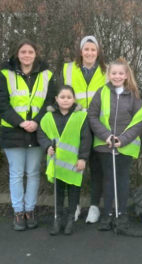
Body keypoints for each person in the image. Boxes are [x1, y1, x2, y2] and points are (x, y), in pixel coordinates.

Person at [0, 39, 56, 231]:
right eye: (23, 52)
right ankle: (18, 212)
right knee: (16, 174)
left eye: (30, 52)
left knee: (33, 173)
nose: (26, 55)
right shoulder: (5, 74)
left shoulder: (47, 74)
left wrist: (37, 121)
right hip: (13, 130)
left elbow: (50, 101)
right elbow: (2, 103)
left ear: (35, 54)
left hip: (37, 131)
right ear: (18, 54)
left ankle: (30, 210)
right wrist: (21, 122)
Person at [88, 57, 142, 231]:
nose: (117, 76)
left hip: (126, 145)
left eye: (121, 73)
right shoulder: (101, 92)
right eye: (114, 73)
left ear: (127, 75)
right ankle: (107, 215)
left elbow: (139, 120)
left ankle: (122, 214)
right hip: (105, 145)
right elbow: (92, 116)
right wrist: (107, 136)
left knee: (122, 180)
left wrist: (123, 139)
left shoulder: (135, 94)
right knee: (108, 180)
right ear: (109, 74)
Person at [60, 36, 107, 223]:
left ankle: (94, 206)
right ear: (81, 51)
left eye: (93, 49)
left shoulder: (106, 70)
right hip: (76, 123)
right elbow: (62, 94)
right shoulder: (68, 69)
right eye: (86, 49)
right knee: (75, 166)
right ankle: (75, 206)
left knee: (96, 168)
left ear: (98, 52)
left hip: (98, 124)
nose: (89, 53)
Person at [37, 85, 92, 235]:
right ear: (56, 99)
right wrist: (47, 146)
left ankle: (70, 220)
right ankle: (57, 219)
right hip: (57, 163)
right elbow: (41, 134)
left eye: (69, 97)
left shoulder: (81, 116)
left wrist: (83, 158)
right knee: (59, 193)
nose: (65, 100)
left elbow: (86, 139)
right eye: (62, 97)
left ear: (74, 99)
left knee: (74, 192)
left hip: (75, 163)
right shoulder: (48, 117)